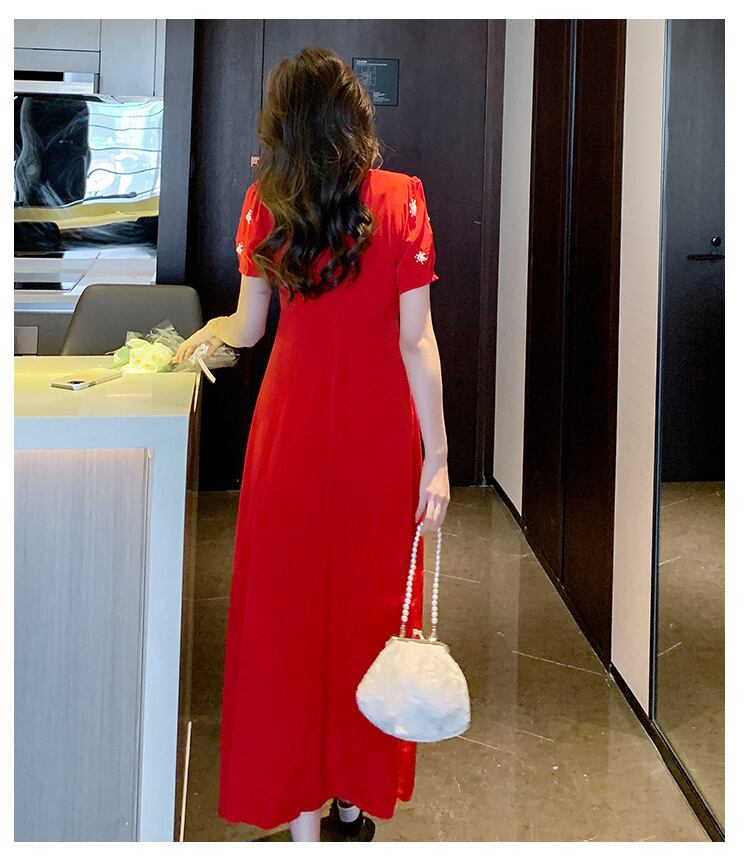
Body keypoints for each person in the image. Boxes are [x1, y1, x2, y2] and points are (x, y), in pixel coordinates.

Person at [173, 46, 450, 842]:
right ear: (354, 117)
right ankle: (351, 800)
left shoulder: (266, 202)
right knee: (366, 615)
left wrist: (205, 332)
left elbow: (248, 327)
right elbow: (415, 342)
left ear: (283, 125)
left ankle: (302, 831)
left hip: (288, 435)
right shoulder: (403, 200)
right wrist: (437, 456)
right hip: (378, 438)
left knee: (288, 621)